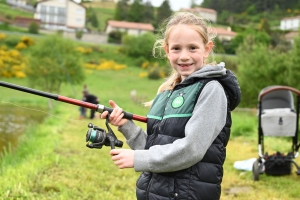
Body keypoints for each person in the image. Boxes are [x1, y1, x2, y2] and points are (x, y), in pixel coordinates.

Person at [100, 12, 241, 200]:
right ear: (167, 51)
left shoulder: (212, 90)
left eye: (192, 48)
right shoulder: (165, 93)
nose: (184, 56)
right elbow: (152, 148)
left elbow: (192, 149)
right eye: (176, 48)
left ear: (207, 49)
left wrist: (138, 159)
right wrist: (126, 126)